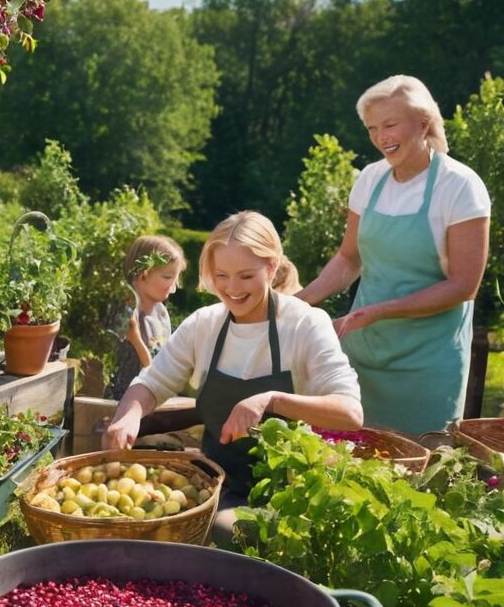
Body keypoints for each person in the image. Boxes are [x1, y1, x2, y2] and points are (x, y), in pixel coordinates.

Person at [103, 211, 362, 499]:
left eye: (246, 276)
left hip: (289, 498)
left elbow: (350, 413)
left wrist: (271, 400)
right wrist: (128, 416)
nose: (232, 289)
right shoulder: (204, 324)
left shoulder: (305, 324)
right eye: (221, 276)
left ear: (272, 266)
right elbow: (152, 382)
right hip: (213, 488)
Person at [297, 75, 490, 434]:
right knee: (347, 466)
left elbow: (464, 285)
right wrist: (298, 302)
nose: (380, 137)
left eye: (390, 124)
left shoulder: (460, 186)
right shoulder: (370, 179)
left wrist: (376, 312)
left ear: (423, 122)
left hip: (429, 362)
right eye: (372, 128)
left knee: (420, 470)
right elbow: (349, 259)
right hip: (364, 351)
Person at [107, 235, 185, 401]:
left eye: (175, 279)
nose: (173, 287)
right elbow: (148, 371)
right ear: (143, 274)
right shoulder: (125, 313)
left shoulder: (161, 312)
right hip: (123, 399)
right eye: (167, 277)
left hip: (155, 395)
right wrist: (136, 340)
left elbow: (164, 363)